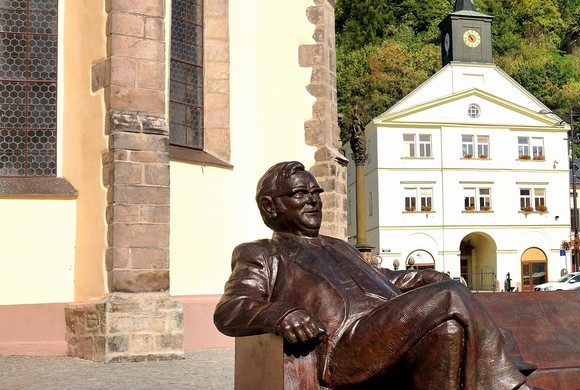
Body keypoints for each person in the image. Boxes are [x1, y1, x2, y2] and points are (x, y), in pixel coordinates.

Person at [214, 161, 533, 389]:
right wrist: (279, 312)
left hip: (390, 328)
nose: (313, 199)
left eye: (316, 192)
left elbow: (384, 279)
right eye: (300, 193)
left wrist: (421, 278)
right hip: (348, 344)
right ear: (270, 207)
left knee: (447, 327)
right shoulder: (261, 254)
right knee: (450, 296)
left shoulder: (341, 246)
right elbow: (229, 309)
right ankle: (509, 387)